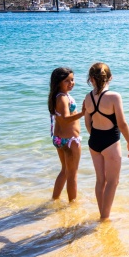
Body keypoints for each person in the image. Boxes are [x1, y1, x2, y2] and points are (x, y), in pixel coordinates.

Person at [83, 63, 129, 221]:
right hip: (110, 141)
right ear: (110, 78)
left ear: (91, 79)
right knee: (113, 181)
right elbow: (122, 123)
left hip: (94, 141)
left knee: (100, 180)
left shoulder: (88, 97)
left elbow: (87, 122)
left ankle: (102, 213)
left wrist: (95, 136)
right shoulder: (114, 97)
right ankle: (104, 217)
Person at [48, 67, 85, 202]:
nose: (71, 83)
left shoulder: (57, 96)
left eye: (72, 80)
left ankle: (55, 199)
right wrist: (82, 113)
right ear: (58, 82)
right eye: (67, 81)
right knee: (72, 174)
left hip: (59, 139)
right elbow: (65, 118)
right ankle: (72, 205)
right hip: (70, 140)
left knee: (65, 171)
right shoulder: (63, 98)